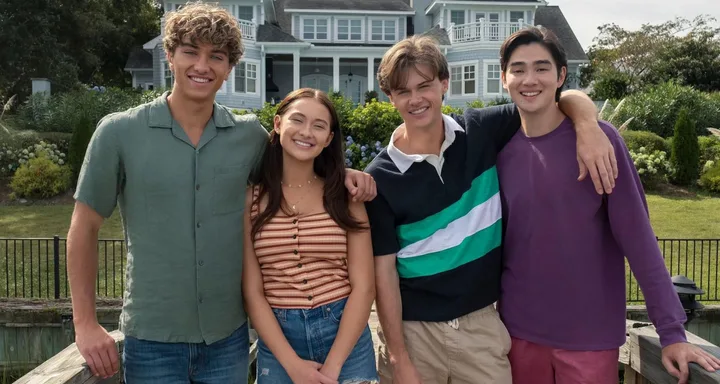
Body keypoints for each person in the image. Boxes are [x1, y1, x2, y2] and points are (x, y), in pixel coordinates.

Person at [66, 3, 375, 383]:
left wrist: (346, 175)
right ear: (169, 55)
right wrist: (85, 323)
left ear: (229, 68)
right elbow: (84, 227)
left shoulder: (249, 137)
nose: (202, 66)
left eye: (216, 56)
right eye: (191, 51)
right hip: (152, 338)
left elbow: (298, 159)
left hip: (227, 340)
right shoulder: (118, 133)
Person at [363, 34, 617, 384]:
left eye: (424, 86)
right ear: (390, 98)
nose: (416, 99)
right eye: (402, 91)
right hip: (414, 333)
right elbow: (385, 275)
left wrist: (587, 123)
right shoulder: (380, 178)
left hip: (481, 328)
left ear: (444, 84)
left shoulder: (479, 131)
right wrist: (398, 356)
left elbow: (552, 98)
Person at [495, 26, 720, 384]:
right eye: (518, 69)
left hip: (589, 336)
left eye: (541, 67)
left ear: (561, 75)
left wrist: (672, 332)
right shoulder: (498, 147)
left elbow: (638, 238)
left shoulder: (600, 142)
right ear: (504, 76)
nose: (529, 79)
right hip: (516, 334)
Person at [242, 88, 378, 384]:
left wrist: (332, 369)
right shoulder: (252, 200)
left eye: (319, 126)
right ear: (278, 125)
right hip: (279, 342)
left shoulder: (346, 196)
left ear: (329, 138)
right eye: (298, 120)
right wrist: (293, 366)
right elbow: (253, 291)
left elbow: (364, 286)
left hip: (345, 335)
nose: (307, 132)